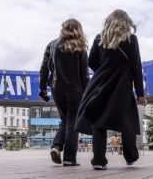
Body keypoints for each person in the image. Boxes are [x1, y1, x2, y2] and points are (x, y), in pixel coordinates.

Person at [75, 9, 146, 170]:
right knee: (126, 121)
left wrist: (106, 69)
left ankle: (99, 160)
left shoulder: (100, 38)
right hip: (122, 86)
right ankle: (130, 156)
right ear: (126, 22)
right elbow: (136, 67)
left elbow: (92, 62)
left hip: (99, 85)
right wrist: (140, 93)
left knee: (99, 122)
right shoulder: (131, 39)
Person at [40, 18, 89, 166]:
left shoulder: (52, 44)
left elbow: (44, 69)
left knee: (65, 119)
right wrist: (87, 94)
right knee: (73, 121)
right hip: (76, 90)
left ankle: (56, 146)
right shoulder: (80, 47)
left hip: (56, 88)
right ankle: (69, 158)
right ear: (78, 30)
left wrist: (42, 89)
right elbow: (84, 74)